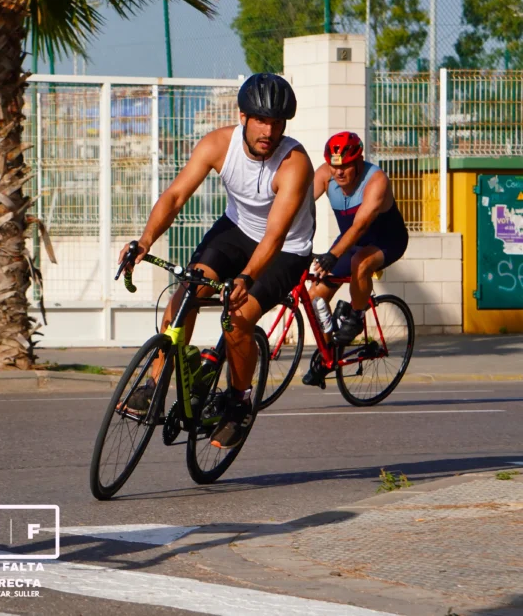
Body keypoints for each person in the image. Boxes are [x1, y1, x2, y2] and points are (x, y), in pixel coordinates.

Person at [119, 73, 314, 449]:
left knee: (237, 319)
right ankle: (156, 380)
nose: (268, 131)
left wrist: (246, 277)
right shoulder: (217, 145)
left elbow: (274, 235)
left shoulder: (295, 164)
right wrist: (144, 241)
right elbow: (175, 197)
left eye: (276, 123)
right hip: (236, 230)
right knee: (190, 288)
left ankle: (239, 402)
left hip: (286, 248)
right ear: (242, 116)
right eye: (260, 120)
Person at [302, 131, 408, 386]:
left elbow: (360, 226)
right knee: (315, 294)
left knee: (359, 262)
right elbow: (297, 202)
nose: (339, 172)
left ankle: (357, 316)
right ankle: (330, 353)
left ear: (359, 161)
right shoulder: (325, 175)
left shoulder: (376, 181)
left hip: (387, 242)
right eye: (334, 165)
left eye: (346, 166)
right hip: (351, 241)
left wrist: (332, 255)